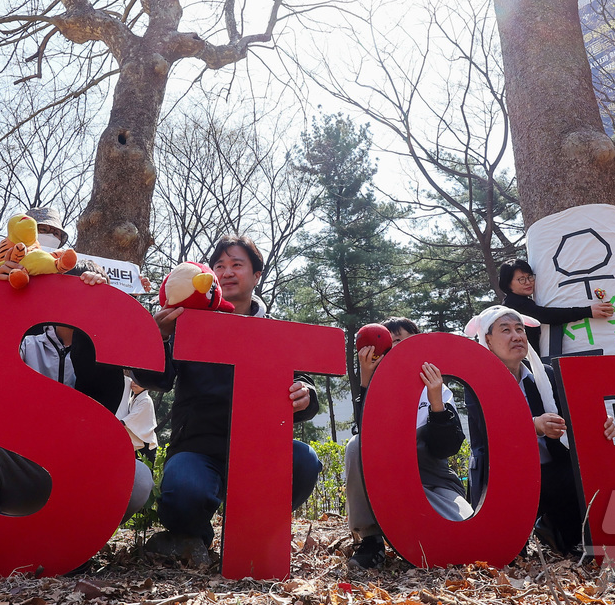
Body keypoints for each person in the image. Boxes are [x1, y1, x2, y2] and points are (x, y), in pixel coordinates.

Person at [0, 210, 154, 522]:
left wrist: (120, 300)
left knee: (138, 478)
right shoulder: (24, 340)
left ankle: (73, 545)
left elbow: (147, 363)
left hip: (78, 468)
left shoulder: (105, 348)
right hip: (19, 462)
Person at [134, 235, 322, 567]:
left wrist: (306, 396)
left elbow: (304, 383)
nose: (227, 272)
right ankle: (194, 537)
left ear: (256, 274)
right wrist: (158, 337)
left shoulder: (275, 331)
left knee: (305, 460)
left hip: (258, 448)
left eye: (237, 264)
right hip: (198, 447)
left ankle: (254, 531)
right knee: (182, 494)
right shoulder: (188, 323)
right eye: (219, 265)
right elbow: (154, 380)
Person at [345, 318, 472, 569]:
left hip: (435, 484)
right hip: (393, 485)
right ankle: (371, 541)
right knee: (356, 445)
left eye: (404, 342)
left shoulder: (438, 386)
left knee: (469, 538)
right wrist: (367, 381)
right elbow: (368, 441)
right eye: (390, 346)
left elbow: (447, 448)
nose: (398, 351)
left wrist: (436, 402)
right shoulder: (378, 387)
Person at [465, 305, 585, 555]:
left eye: (520, 329)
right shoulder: (477, 382)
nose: (517, 336)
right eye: (506, 330)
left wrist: (597, 422)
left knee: (576, 473)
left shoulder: (545, 376)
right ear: (488, 339)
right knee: (504, 555)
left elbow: (573, 416)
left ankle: (559, 532)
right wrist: (534, 426)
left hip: (549, 472)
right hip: (502, 477)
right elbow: (490, 433)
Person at [497, 258, 614, 353]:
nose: (528, 282)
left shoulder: (521, 300)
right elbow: (547, 315)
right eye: (521, 279)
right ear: (508, 283)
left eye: (530, 277)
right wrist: (588, 311)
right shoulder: (513, 304)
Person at [117, 375, 159, 465]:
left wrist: (119, 423)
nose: (134, 383)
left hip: (146, 444)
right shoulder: (133, 399)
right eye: (133, 380)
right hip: (138, 443)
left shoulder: (146, 400)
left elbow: (133, 417)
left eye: (138, 382)